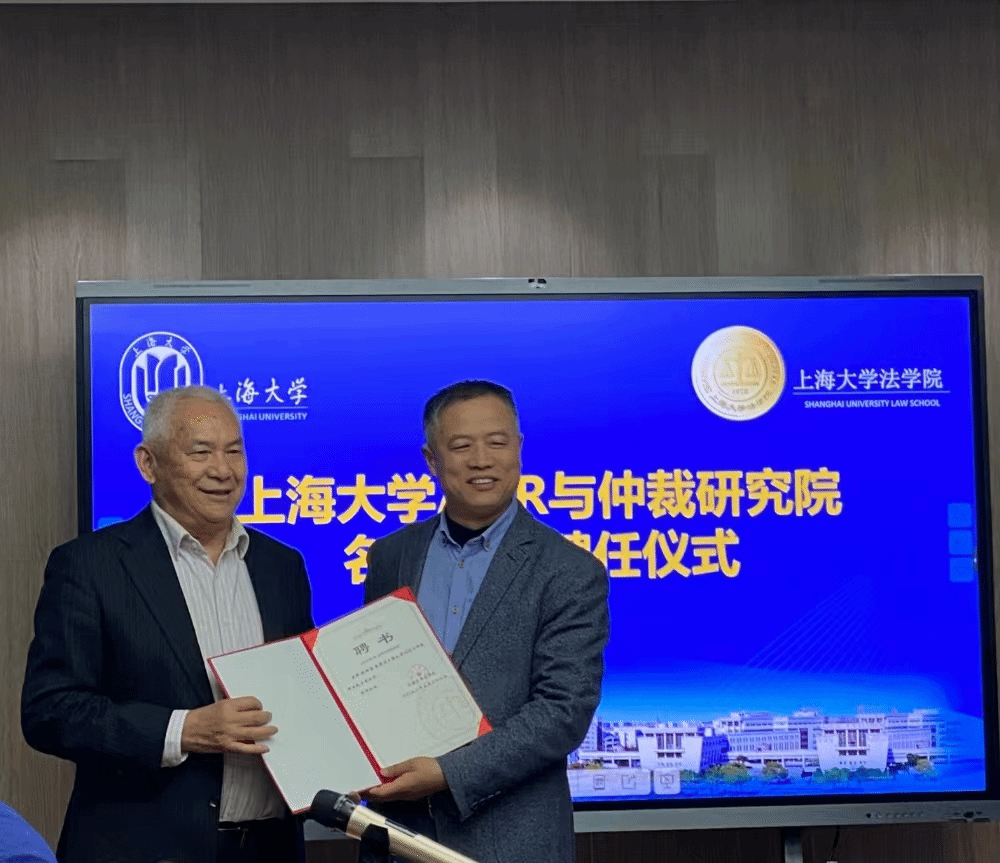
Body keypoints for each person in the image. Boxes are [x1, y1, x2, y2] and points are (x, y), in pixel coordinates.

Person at [22, 386, 314, 863]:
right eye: (201, 452)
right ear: (148, 463)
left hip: (269, 848)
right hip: (143, 850)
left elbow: (303, 696)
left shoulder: (283, 566)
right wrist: (183, 729)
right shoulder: (91, 565)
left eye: (234, 451)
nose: (223, 470)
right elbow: (50, 711)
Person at [360, 381, 610, 863]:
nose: (481, 460)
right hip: (396, 836)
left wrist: (448, 774)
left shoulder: (569, 571)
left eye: (497, 442)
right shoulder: (392, 556)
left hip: (511, 843)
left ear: (518, 448)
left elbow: (562, 712)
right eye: (461, 446)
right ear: (431, 460)